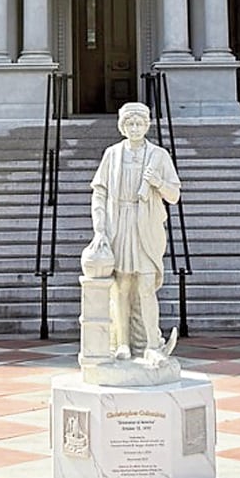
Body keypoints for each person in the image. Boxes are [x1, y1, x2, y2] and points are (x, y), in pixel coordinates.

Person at [87, 101, 181, 360]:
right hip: (120, 224)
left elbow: (174, 195)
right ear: (122, 126)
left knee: (146, 285)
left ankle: (152, 343)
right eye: (130, 123)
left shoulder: (159, 155)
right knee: (122, 286)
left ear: (147, 125)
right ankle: (122, 343)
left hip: (147, 228)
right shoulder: (112, 154)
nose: (135, 127)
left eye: (140, 123)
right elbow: (100, 192)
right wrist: (100, 229)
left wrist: (157, 182)